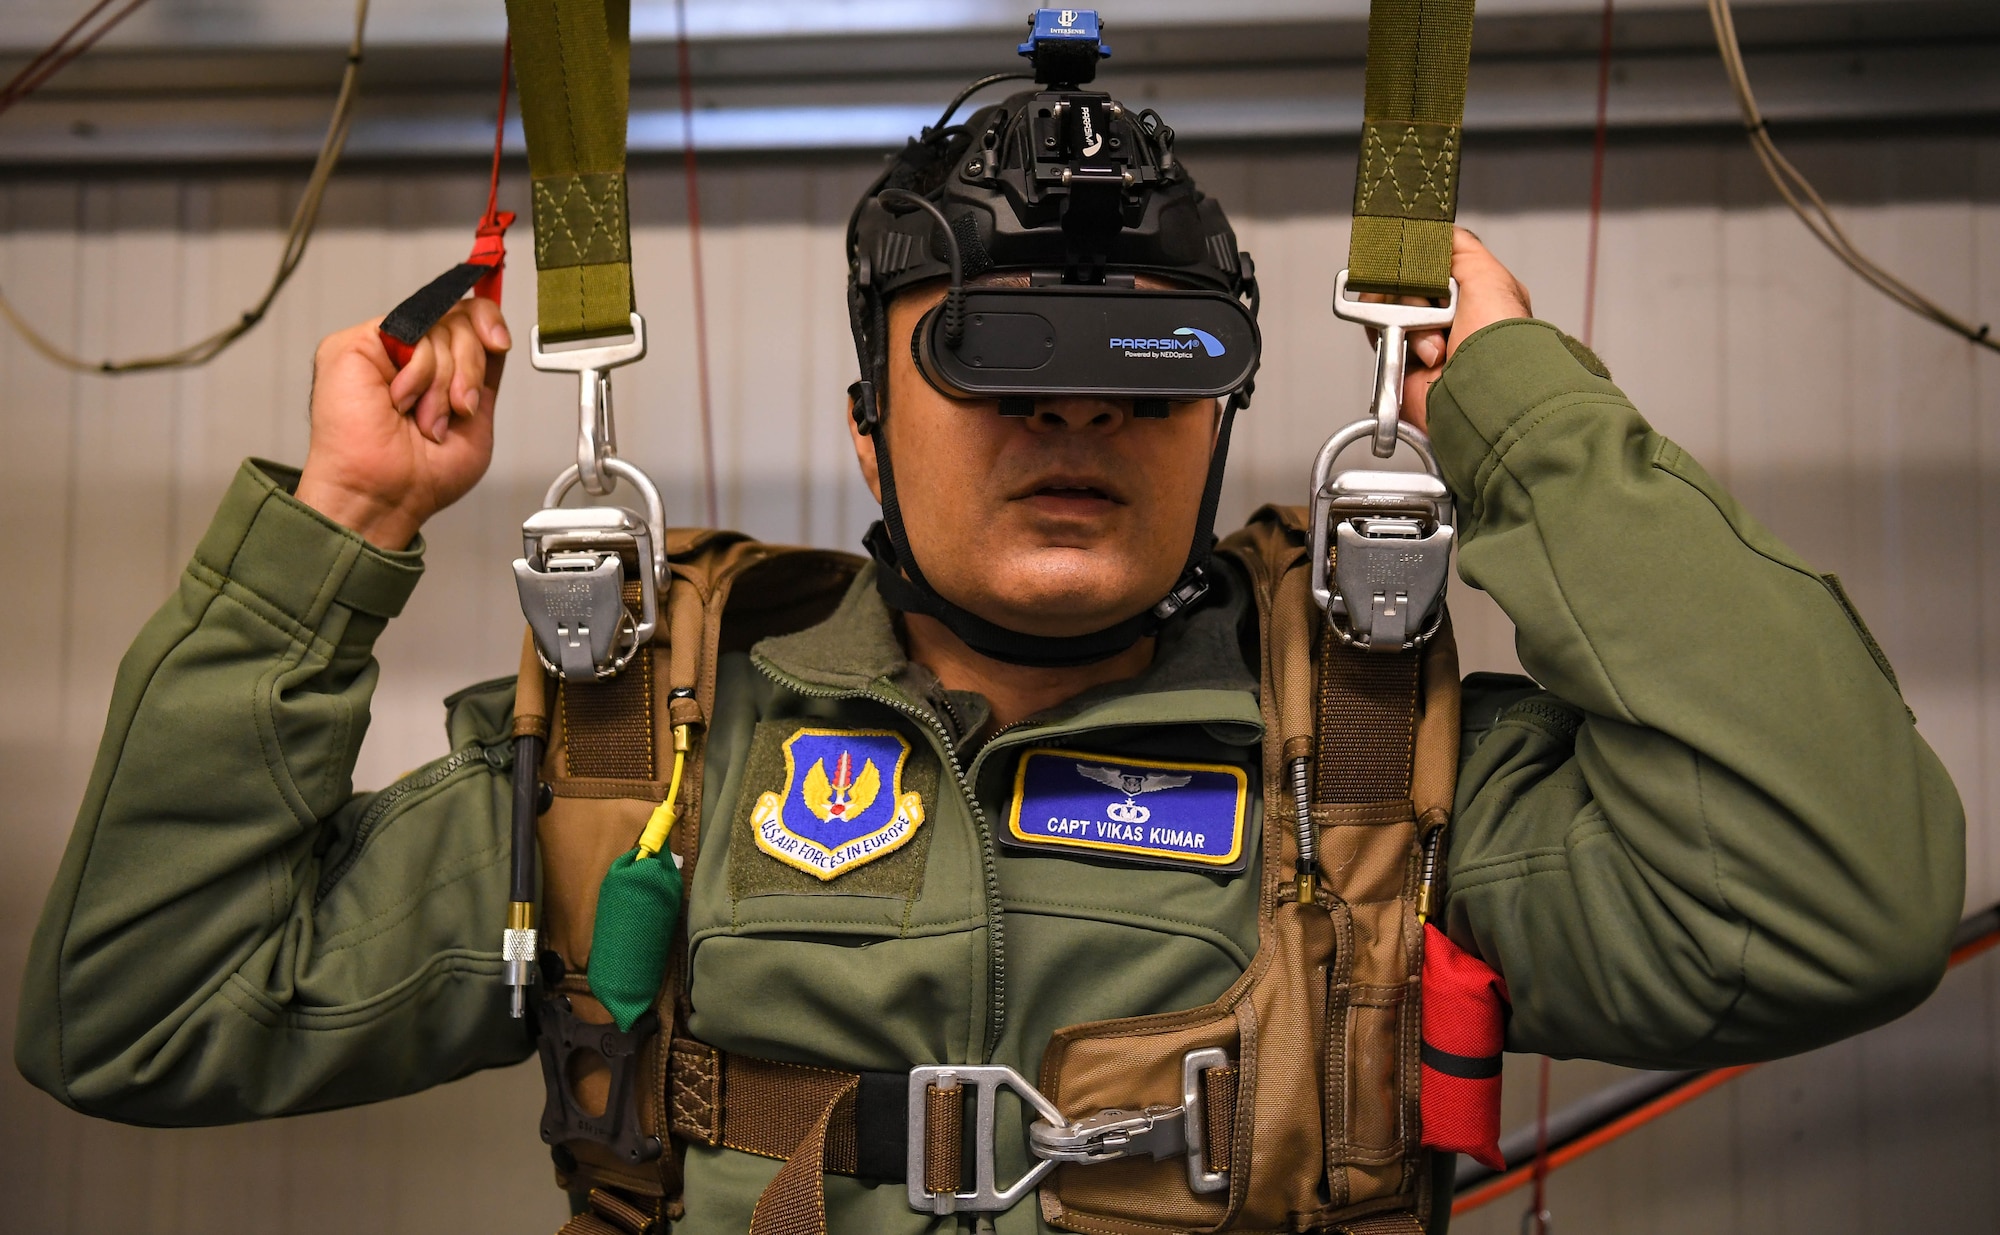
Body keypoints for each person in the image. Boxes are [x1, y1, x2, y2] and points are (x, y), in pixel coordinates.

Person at [14, 86, 1964, 1235]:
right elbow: (147, 1009)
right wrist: (337, 534)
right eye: (997, 360)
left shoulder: (1373, 772)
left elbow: (1843, 903)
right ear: (868, 422)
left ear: (1217, 416)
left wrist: (1522, 423)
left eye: (1142, 367)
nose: (1073, 423)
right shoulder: (650, 744)